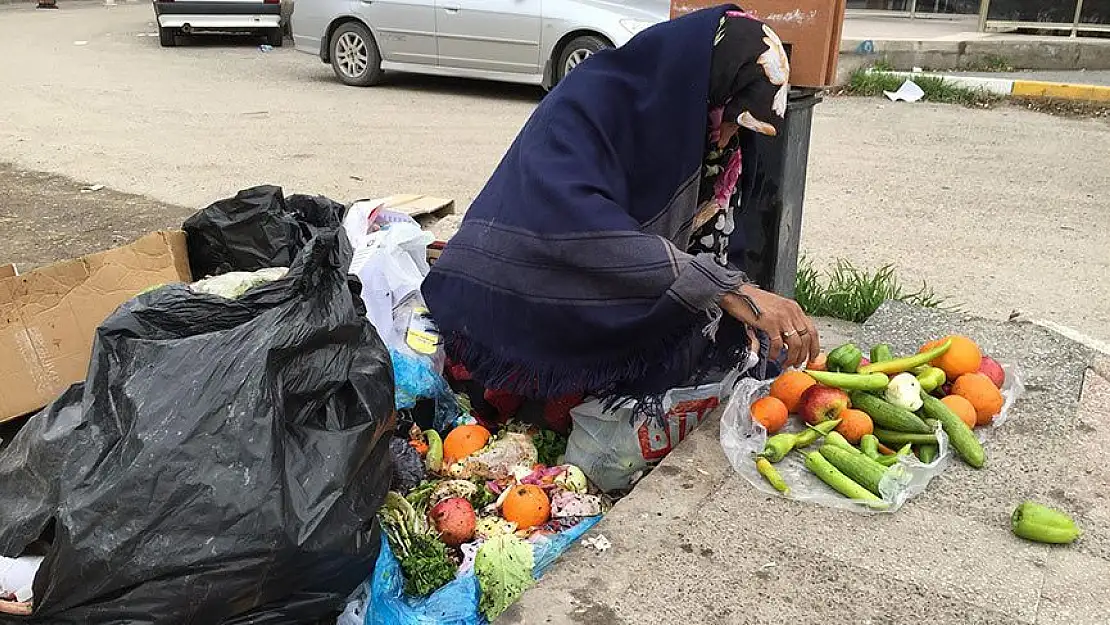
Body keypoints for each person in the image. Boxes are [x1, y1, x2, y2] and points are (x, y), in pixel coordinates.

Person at [422, 4, 820, 432]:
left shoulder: (698, 127)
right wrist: (728, 290)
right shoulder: (591, 98)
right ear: (708, 85)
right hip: (523, 271)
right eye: (728, 118)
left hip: (595, 266)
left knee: (691, 321)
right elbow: (572, 226)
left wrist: (740, 307)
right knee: (528, 392)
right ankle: (538, 394)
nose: (727, 136)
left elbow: (707, 241)